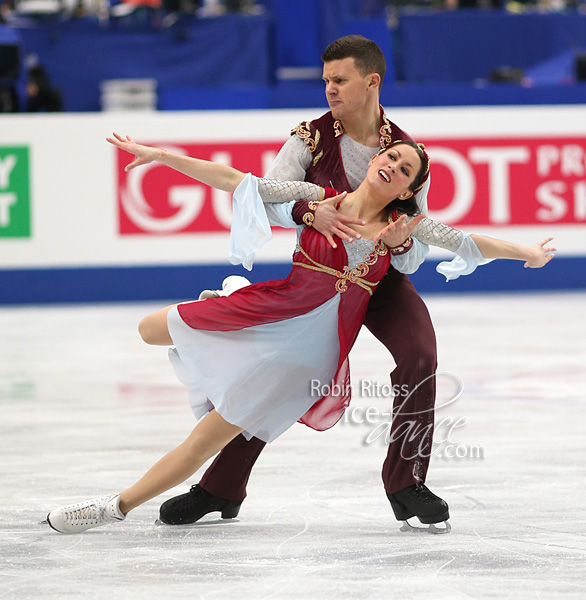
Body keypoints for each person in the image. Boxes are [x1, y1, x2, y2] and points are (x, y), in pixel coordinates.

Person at [45, 134, 555, 535]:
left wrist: (527, 253)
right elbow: (237, 181)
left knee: (207, 440)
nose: (394, 166)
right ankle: (222, 337)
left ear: (406, 190)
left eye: (405, 171)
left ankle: (115, 506)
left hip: (308, 353)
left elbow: (469, 242)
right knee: (149, 329)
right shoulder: (318, 197)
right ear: (375, 158)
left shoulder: (406, 228)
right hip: (270, 308)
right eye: (392, 157)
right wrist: (161, 156)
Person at [159, 34, 448, 531]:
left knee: (420, 354)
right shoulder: (309, 138)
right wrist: (309, 211)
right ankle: (220, 488)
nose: (329, 89)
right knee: (281, 378)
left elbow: (414, 257)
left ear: (371, 82)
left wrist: (400, 244)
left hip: (381, 281)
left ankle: (406, 482)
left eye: (340, 80)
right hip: (321, 285)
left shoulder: (405, 155)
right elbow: (265, 196)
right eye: (326, 81)